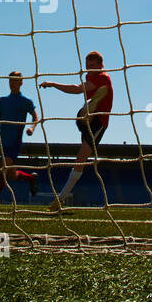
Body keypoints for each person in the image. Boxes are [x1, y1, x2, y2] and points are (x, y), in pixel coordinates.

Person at [40, 50, 113, 210]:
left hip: (99, 122)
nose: (89, 69)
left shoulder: (103, 77)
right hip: (88, 121)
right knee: (80, 158)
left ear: (101, 65)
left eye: (92, 66)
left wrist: (53, 84)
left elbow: (77, 89)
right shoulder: (90, 76)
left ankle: (60, 200)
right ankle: (86, 112)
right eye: (87, 66)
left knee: (80, 160)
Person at [0, 71, 40, 210]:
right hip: (3, 141)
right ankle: (31, 179)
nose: (13, 83)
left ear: (21, 82)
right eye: (10, 80)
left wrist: (32, 128)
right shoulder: (2, 100)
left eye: (15, 80)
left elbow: (36, 117)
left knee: (3, 168)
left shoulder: (26, 101)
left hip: (15, 141)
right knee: (11, 175)